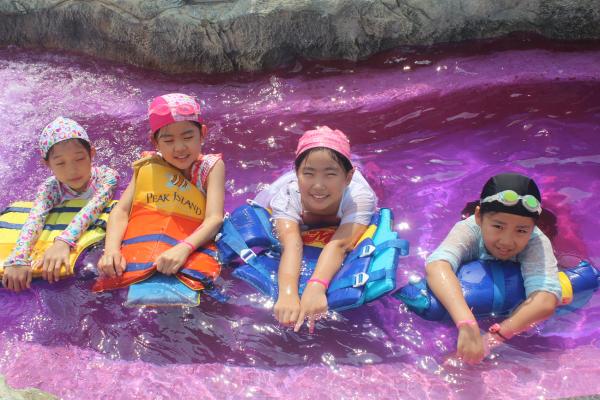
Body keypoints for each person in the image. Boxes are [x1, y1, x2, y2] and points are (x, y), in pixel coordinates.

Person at [425, 173, 561, 364]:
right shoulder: (468, 229)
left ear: (533, 228)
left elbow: (545, 301)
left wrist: (494, 338)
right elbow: (437, 265)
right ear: (479, 216)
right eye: (498, 226)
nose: (507, 241)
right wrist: (466, 323)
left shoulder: (537, 241)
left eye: (521, 230)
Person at [255, 126, 377, 332]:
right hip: (293, 195)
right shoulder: (287, 196)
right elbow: (291, 244)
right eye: (308, 174)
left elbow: (340, 244)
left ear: (348, 177)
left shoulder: (359, 197)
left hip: (348, 191)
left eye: (330, 174)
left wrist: (317, 285)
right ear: (296, 173)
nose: (318, 185)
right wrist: (287, 293)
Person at [97, 93, 224, 287]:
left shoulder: (211, 168)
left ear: (203, 134)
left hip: (190, 243)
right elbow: (121, 210)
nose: (179, 148)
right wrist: (111, 251)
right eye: (168, 141)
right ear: (155, 142)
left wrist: (184, 248)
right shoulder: (148, 165)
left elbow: (214, 219)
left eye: (188, 137)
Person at [2, 116, 118, 292]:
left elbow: (92, 208)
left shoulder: (107, 177)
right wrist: (18, 258)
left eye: (79, 159)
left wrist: (63, 242)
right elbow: (35, 218)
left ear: (92, 153)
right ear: (46, 164)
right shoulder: (50, 188)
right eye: (60, 163)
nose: (72, 170)